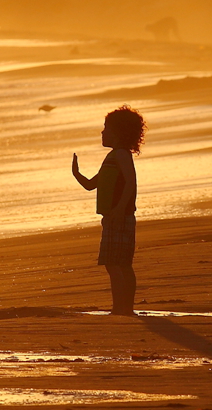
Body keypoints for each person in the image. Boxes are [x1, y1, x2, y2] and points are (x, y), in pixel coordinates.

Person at [72, 105, 146, 316]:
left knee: (115, 264)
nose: (102, 132)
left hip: (118, 217)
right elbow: (90, 185)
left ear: (119, 133)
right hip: (116, 216)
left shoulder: (121, 155)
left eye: (106, 128)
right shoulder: (113, 157)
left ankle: (121, 308)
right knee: (120, 264)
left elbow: (131, 183)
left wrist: (119, 209)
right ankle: (125, 308)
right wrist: (76, 174)